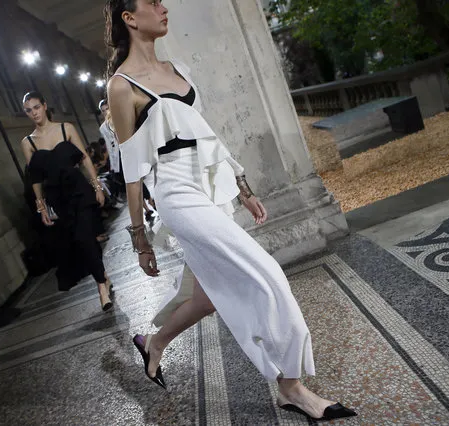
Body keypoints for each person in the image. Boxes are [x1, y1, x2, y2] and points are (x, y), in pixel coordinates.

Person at [104, 0, 357, 422]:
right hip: (175, 193)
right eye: (152, 2)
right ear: (130, 18)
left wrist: (242, 186)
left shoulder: (179, 69)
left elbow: (208, 137)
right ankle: (291, 387)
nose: (163, 7)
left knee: (206, 297)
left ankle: (154, 343)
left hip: (207, 186)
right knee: (269, 275)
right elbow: (133, 170)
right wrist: (139, 237)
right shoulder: (121, 86)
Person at [20, 91, 113, 311]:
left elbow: (84, 159)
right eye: (28, 110)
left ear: (44, 105)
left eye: (36, 107)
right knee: (84, 242)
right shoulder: (28, 142)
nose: (34, 113)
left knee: (85, 238)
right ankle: (104, 277)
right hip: (58, 198)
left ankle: (101, 288)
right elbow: (35, 178)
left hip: (79, 191)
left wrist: (97, 186)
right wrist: (41, 206)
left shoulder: (66, 128)